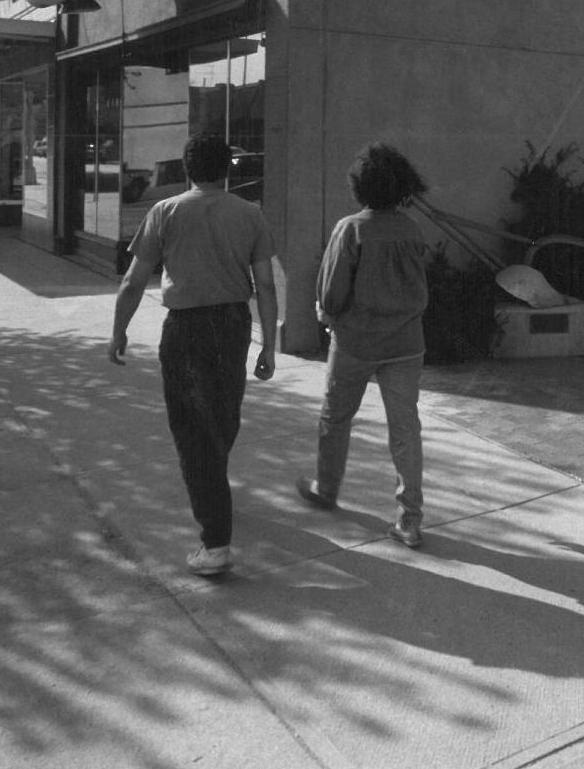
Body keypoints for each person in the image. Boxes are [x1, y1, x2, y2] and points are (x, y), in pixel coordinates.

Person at [108, 133, 278, 576]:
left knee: (192, 428)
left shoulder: (165, 212)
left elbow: (133, 280)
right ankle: (214, 496)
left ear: (187, 169)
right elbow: (267, 285)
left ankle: (215, 543)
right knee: (223, 414)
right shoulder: (250, 215)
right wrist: (270, 346)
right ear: (226, 170)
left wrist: (118, 331)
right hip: (233, 324)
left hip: (185, 328)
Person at [297, 142, 431, 548]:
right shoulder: (411, 230)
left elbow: (332, 291)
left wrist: (327, 313)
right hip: (406, 342)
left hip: (355, 341)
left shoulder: (351, 229)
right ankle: (410, 519)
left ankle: (327, 488)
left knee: (335, 417)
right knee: (405, 428)